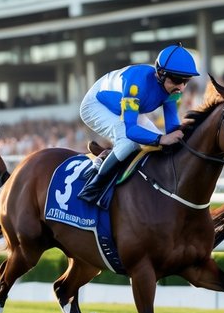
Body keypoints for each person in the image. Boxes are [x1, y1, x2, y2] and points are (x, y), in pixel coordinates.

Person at [76, 43, 197, 206]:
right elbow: (131, 130)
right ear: (160, 74)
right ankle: (93, 187)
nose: (181, 87)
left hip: (125, 107)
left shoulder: (173, 91)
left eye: (186, 81)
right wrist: (161, 138)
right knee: (129, 142)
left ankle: (108, 155)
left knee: (162, 145)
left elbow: (172, 129)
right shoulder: (136, 84)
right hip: (96, 105)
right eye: (176, 80)